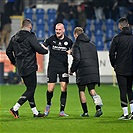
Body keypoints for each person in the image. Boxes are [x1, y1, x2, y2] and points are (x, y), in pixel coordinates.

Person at [6, 18, 48, 118]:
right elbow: (38, 49)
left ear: (22, 26)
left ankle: (35, 112)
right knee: (31, 89)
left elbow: (8, 51)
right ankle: (15, 108)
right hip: (30, 66)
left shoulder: (14, 37)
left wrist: (14, 62)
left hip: (20, 67)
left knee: (29, 89)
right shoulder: (30, 36)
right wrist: (45, 50)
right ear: (30, 26)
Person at [70, 27, 103, 117]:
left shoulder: (76, 44)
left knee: (82, 90)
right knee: (92, 90)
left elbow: (77, 59)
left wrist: (72, 70)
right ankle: (98, 108)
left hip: (82, 71)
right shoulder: (92, 44)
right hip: (93, 70)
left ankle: (85, 112)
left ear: (76, 34)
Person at [43, 23, 73, 116]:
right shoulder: (51, 39)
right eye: (56, 29)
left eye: (59, 30)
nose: (58, 31)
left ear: (63, 30)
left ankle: (62, 111)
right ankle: (48, 104)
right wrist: (44, 49)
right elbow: (43, 45)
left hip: (63, 67)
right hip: (52, 67)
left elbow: (74, 50)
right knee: (50, 89)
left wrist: (71, 52)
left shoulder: (68, 41)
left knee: (63, 88)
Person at [109, 17, 133, 120]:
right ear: (128, 25)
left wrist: (114, 65)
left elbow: (111, 54)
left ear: (120, 26)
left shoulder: (117, 38)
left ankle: (125, 114)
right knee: (130, 90)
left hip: (121, 69)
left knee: (122, 90)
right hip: (132, 69)